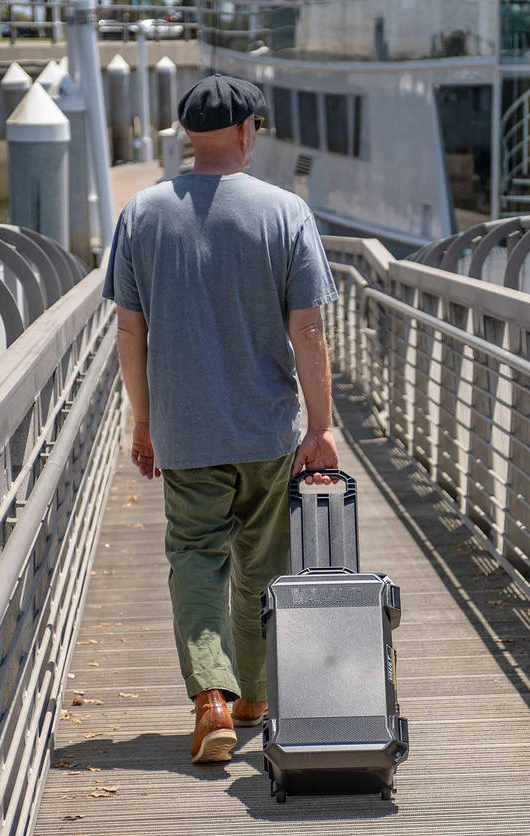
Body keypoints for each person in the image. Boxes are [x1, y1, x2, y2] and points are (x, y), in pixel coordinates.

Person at [102, 74, 340, 764]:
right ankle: (255, 697)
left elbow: (129, 332)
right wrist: (321, 427)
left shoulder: (142, 214)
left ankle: (211, 699)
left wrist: (142, 423)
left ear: (187, 135)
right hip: (267, 429)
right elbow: (308, 330)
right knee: (263, 563)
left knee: (196, 559)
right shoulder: (285, 212)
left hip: (185, 431)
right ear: (245, 130)